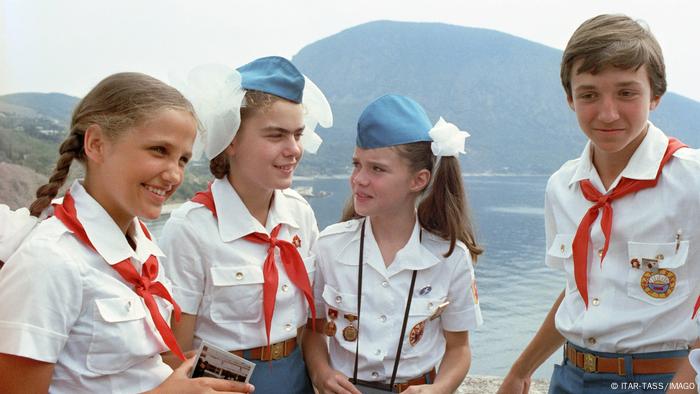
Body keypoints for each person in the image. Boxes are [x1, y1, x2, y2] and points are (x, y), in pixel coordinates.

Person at [0, 72, 254, 394]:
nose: (174, 174)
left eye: (183, 159)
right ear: (96, 144)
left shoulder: (143, 245)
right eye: (159, 150)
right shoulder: (50, 261)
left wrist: (180, 374)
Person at [498, 14, 700, 394]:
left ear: (655, 95)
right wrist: (521, 370)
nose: (607, 113)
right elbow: (578, 291)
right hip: (571, 377)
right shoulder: (564, 186)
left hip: (658, 381)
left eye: (626, 93)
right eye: (589, 94)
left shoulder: (692, 180)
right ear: (570, 98)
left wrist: (687, 383)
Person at [158, 56, 333, 393]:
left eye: (297, 134)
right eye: (276, 135)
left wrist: (321, 371)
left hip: (298, 378)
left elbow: (312, 322)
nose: (294, 149)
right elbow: (174, 352)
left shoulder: (299, 215)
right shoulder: (192, 228)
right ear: (231, 140)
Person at [302, 94, 483, 393]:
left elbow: (459, 349)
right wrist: (321, 372)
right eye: (357, 164)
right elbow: (312, 330)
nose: (359, 179)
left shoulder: (451, 257)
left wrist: (439, 389)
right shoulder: (330, 246)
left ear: (418, 180)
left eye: (377, 169)